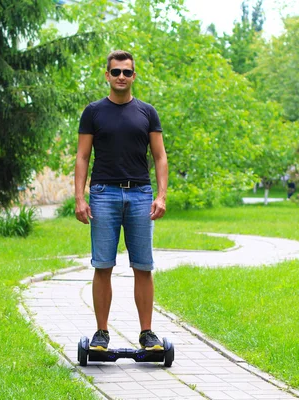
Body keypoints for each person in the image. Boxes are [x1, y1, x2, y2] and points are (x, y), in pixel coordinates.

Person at [74, 50, 169, 352]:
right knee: (103, 265)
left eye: (127, 72)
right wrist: (80, 197)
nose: (121, 77)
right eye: (115, 72)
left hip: (140, 194)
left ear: (133, 76)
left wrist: (162, 195)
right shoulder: (93, 112)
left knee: (143, 266)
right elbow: (82, 156)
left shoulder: (147, 112)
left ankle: (147, 334)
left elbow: (160, 156)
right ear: (107, 76)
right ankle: (101, 333)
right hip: (104, 194)